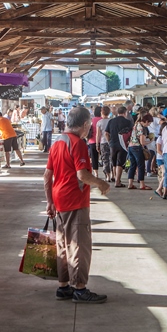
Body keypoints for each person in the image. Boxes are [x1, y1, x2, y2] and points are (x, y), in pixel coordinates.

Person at [44, 107, 111, 303]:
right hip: (75, 200)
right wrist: (101, 183)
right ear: (84, 124)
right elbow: (82, 175)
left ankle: (63, 286)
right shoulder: (78, 143)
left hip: (59, 200)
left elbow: (47, 176)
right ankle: (80, 288)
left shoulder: (57, 142)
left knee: (63, 244)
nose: (90, 127)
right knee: (79, 245)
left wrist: (49, 201)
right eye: (89, 123)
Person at [105, 106, 133, 187]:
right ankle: (117, 181)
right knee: (119, 163)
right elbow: (131, 134)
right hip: (123, 144)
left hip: (112, 144)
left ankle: (115, 178)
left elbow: (106, 133)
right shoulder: (128, 122)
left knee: (114, 162)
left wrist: (109, 141)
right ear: (125, 113)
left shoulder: (111, 121)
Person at [127, 114, 154, 190]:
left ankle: (130, 183)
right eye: (149, 123)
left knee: (133, 165)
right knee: (141, 166)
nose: (149, 125)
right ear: (146, 121)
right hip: (137, 148)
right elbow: (142, 142)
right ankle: (142, 184)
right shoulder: (143, 128)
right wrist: (150, 141)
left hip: (131, 147)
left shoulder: (136, 125)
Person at [95, 106, 112, 181]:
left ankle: (107, 176)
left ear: (101, 112)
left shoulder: (99, 122)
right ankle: (113, 174)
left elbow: (98, 135)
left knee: (105, 159)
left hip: (103, 142)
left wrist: (97, 144)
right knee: (112, 158)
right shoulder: (112, 121)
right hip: (111, 142)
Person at [88, 106, 102, 173]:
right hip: (102, 141)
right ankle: (108, 174)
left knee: (94, 157)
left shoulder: (92, 120)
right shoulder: (103, 119)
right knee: (105, 158)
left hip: (92, 140)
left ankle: (96, 173)